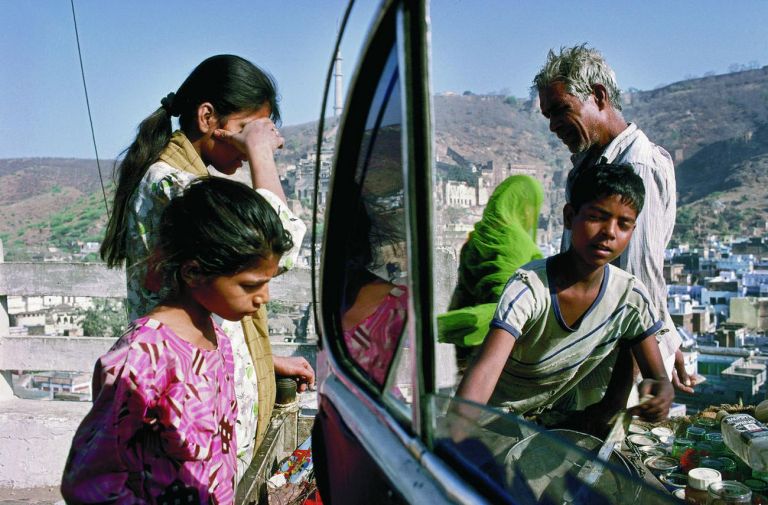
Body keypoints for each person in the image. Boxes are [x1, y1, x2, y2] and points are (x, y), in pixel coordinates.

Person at [98, 54, 314, 478]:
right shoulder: (170, 182)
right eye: (248, 127)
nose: (265, 139)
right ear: (207, 116)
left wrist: (258, 358)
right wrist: (260, 155)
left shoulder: (190, 183)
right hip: (188, 417)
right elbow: (279, 244)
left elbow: (214, 305)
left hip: (214, 408)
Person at [62, 177, 294, 503]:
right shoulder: (143, 356)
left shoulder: (218, 341)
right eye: (250, 285)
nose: (263, 298)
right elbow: (88, 481)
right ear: (193, 272)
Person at [456, 163, 674, 428]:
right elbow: (486, 369)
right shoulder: (530, 286)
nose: (610, 232)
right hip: (494, 419)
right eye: (597, 217)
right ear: (570, 216)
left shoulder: (630, 296)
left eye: (624, 224)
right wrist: (457, 430)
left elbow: (659, 378)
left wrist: (660, 395)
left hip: (553, 422)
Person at [532, 44, 696, 394]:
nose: (553, 126)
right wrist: (668, 338)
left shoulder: (636, 167)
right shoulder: (591, 164)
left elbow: (639, 284)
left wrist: (621, 396)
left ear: (599, 95)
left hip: (618, 374)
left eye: (561, 110)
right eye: (548, 116)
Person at [438, 175, 544, 371]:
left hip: (465, 352)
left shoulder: (477, 239)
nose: (532, 215)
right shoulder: (517, 244)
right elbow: (508, 305)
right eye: (532, 207)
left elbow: (462, 294)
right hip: (498, 351)